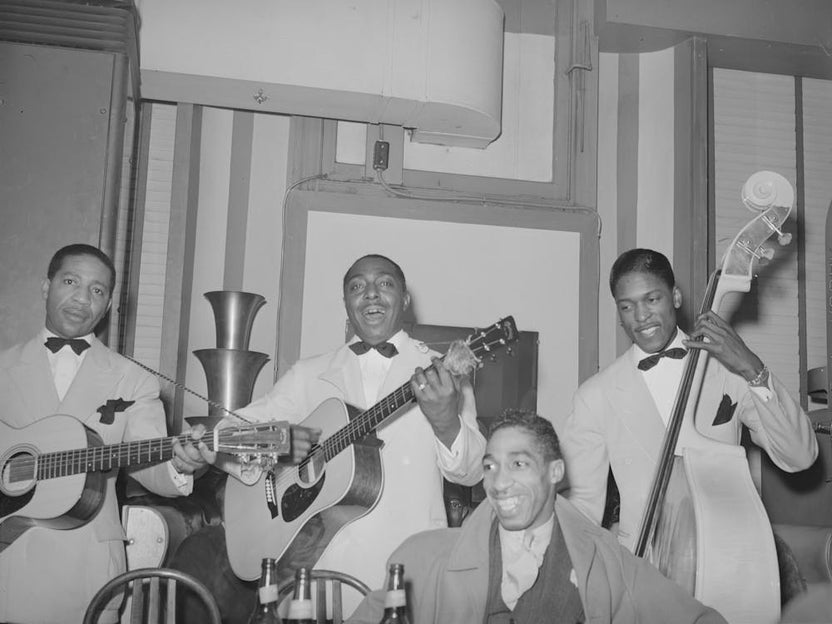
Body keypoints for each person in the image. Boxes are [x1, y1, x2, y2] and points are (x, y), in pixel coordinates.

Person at [221, 253, 486, 594]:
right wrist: (276, 446)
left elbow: (473, 472)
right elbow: (231, 432)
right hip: (317, 569)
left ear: (404, 300)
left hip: (407, 571)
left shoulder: (442, 373)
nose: (371, 293)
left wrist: (446, 423)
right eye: (357, 286)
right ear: (346, 302)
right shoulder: (308, 374)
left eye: (385, 284)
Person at [0, 243, 216, 624]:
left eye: (97, 290)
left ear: (109, 306)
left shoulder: (133, 379)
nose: (82, 298)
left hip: (86, 568)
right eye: (70, 281)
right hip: (8, 558)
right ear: (46, 287)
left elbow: (150, 464)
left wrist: (183, 463)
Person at [346, 410, 728, 624]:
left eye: (519, 464)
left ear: (555, 473)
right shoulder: (421, 559)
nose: (500, 482)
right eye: (491, 466)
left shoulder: (607, 560)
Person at [561, 248, 818, 552]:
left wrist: (752, 368)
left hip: (729, 557)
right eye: (627, 307)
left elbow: (799, 456)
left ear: (676, 297)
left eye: (652, 299)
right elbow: (580, 508)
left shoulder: (727, 369)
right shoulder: (595, 396)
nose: (641, 317)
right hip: (646, 567)